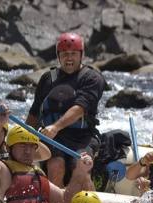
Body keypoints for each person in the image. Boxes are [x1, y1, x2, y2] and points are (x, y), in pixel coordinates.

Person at [26, 32, 106, 188]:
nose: (69, 58)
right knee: (55, 165)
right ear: (58, 56)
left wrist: (55, 127)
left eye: (73, 54)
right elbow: (35, 112)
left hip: (83, 137)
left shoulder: (92, 78)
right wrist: (24, 137)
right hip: (52, 138)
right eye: (65, 54)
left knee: (82, 166)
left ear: (81, 55)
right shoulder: (48, 78)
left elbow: (80, 108)